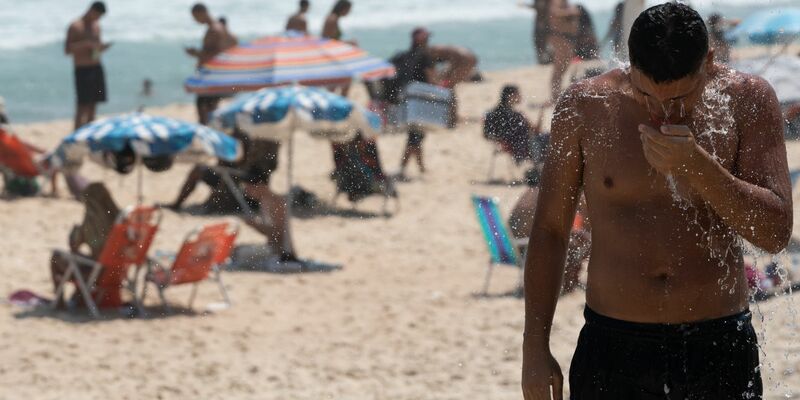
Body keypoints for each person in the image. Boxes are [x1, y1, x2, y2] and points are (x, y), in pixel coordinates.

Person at [521, 3, 791, 399]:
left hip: (716, 341)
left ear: (708, 62)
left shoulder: (747, 98)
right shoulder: (586, 105)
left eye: (682, 97)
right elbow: (550, 230)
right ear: (630, 65)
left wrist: (699, 167)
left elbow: (775, 232)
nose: (663, 111)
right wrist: (534, 347)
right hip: (615, 342)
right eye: (646, 94)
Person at [508, 168, 589, 294]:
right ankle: (568, 284)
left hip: (512, 248)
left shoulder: (531, 193)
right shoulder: (552, 196)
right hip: (529, 249)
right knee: (578, 243)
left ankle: (569, 281)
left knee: (577, 241)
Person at [50, 182, 119, 309]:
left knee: (56, 257)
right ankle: (78, 296)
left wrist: (77, 232)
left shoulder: (92, 222)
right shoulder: (120, 220)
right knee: (83, 260)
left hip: (96, 273)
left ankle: (60, 302)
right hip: (117, 272)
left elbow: (74, 246)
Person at [393, 27, 437, 178]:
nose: (429, 41)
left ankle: (421, 167)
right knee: (416, 135)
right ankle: (402, 168)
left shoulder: (408, 54)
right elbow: (431, 77)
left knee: (416, 133)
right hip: (422, 98)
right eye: (427, 38)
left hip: (408, 98)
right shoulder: (425, 55)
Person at [186, 3, 237, 125]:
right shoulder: (220, 28)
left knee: (204, 110)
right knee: (210, 110)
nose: (195, 20)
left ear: (202, 13)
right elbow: (233, 43)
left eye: (195, 17)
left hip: (212, 77)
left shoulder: (214, 30)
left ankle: (208, 133)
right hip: (218, 76)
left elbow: (215, 54)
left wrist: (196, 53)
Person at [65, 1, 110, 131]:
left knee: (94, 104)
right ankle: (77, 133)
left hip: (96, 67)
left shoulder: (96, 26)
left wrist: (101, 48)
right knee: (82, 105)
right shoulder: (75, 26)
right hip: (82, 69)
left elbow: (96, 47)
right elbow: (67, 50)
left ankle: (90, 133)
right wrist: (85, 44)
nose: (98, 18)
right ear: (91, 10)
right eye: (97, 15)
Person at [483, 85, 547, 165]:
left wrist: (500, 141)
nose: (520, 96)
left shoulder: (492, 113)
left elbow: (486, 134)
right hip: (524, 148)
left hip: (510, 147)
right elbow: (537, 130)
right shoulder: (517, 116)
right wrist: (542, 111)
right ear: (511, 96)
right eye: (518, 94)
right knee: (550, 139)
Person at [428, 45, 478, 127]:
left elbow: (454, 61)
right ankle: (453, 115)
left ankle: (452, 117)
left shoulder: (437, 51)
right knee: (450, 88)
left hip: (465, 60)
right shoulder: (443, 49)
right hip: (469, 58)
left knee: (449, 89)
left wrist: (447, 75)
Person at [547, 0, 580, 103]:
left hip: (567, 38)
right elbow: (554, 12)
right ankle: (554, 96)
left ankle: (557, 93)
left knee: (564, 68)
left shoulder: (565, 2)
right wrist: (570, 12)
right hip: (560, 37)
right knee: (558, 69)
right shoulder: (557, 2)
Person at [522, 0, 553, 65]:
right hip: (542, 24)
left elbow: (540, 6)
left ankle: (545, 60)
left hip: (544, 24)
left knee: (542, 43)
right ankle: (543, 60)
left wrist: (525, 5)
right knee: (539, 44)